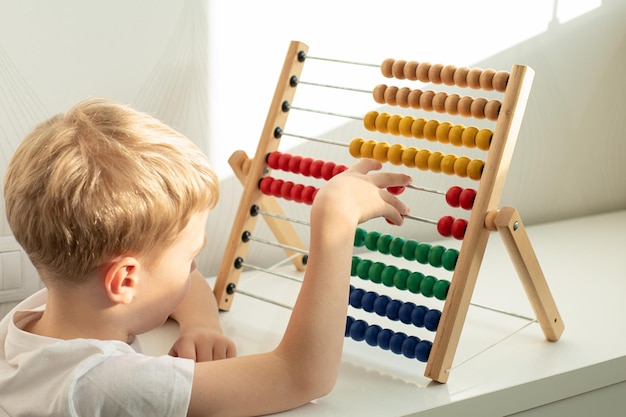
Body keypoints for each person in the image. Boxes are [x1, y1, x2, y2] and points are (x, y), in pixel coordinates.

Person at [0, 98, 411, 416]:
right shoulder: (99, 385)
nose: (195, 270)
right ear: (124, 280)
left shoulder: (34, 321)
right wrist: (334, 223)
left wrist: (200, 322)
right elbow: (301, 376)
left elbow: (170, 284)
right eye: (190, 256)